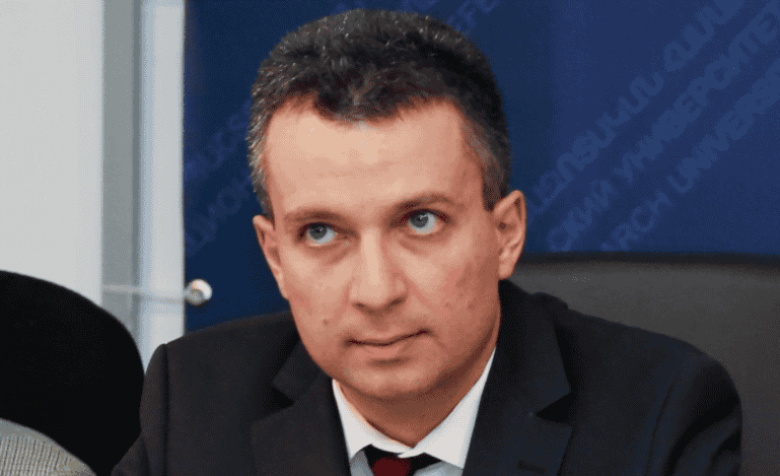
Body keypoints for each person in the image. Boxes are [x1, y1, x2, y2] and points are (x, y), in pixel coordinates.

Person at [113, 8, 741, 476]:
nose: (376, 291)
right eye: (321, 232)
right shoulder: (194, 401)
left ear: (505, 234)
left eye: (420, 222)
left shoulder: (657, 416)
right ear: (276, 257)